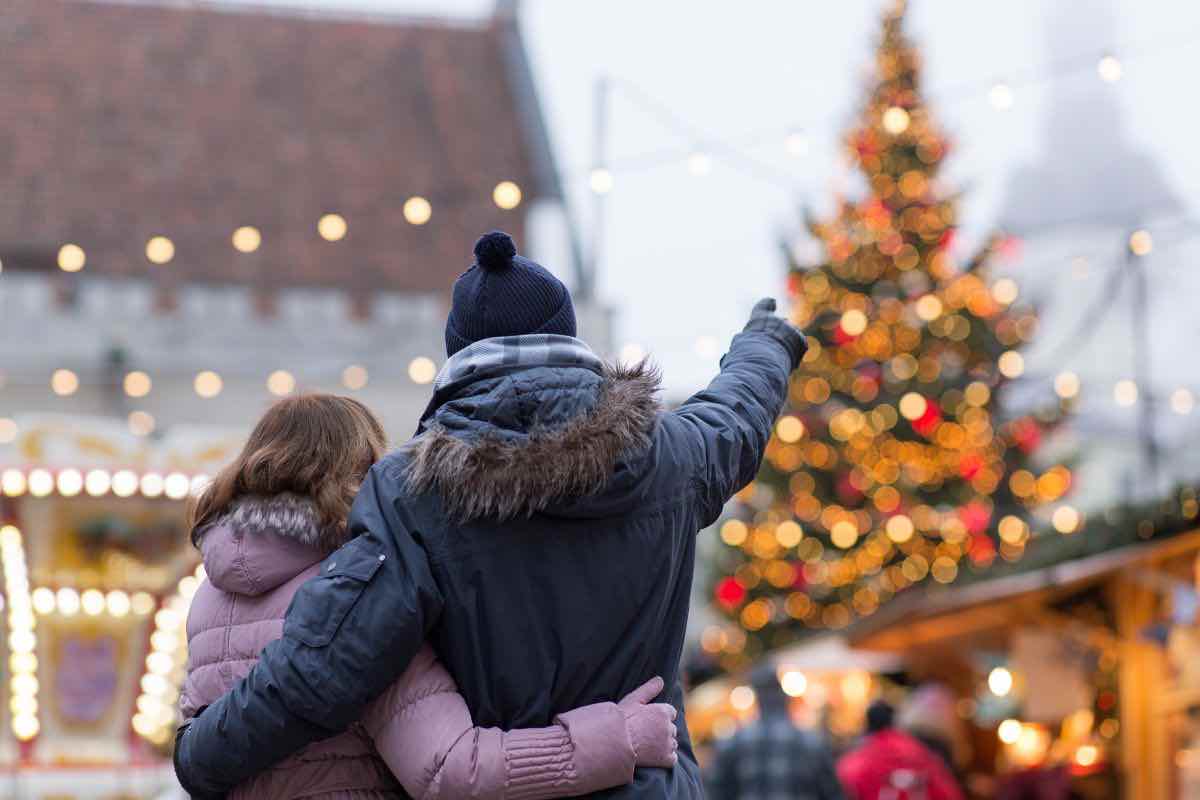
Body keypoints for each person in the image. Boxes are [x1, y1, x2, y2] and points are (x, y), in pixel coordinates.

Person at [174, 231, 807, 799]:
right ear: (569, 334)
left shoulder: (411, 490)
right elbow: (737, 411)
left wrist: (203, 755)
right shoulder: (672, 456)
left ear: (458, 350)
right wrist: (766, 342)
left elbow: (326, 666)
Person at [180, 393, 679, 799]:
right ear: (364, 473)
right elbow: (450, 768)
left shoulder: (209, 594)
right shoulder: (356, 595)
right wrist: (619, 738)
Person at [705, 664, 845, 800]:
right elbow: (832, 792)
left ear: (758, 697)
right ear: (784, 697)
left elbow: (716, 792)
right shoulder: (811, 741)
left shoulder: (733, 742)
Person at [837, 701, 964, 800]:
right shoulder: (918, 749)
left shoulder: (857, 760)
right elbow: (948, 791)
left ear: (868, 726)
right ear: (894, 722)